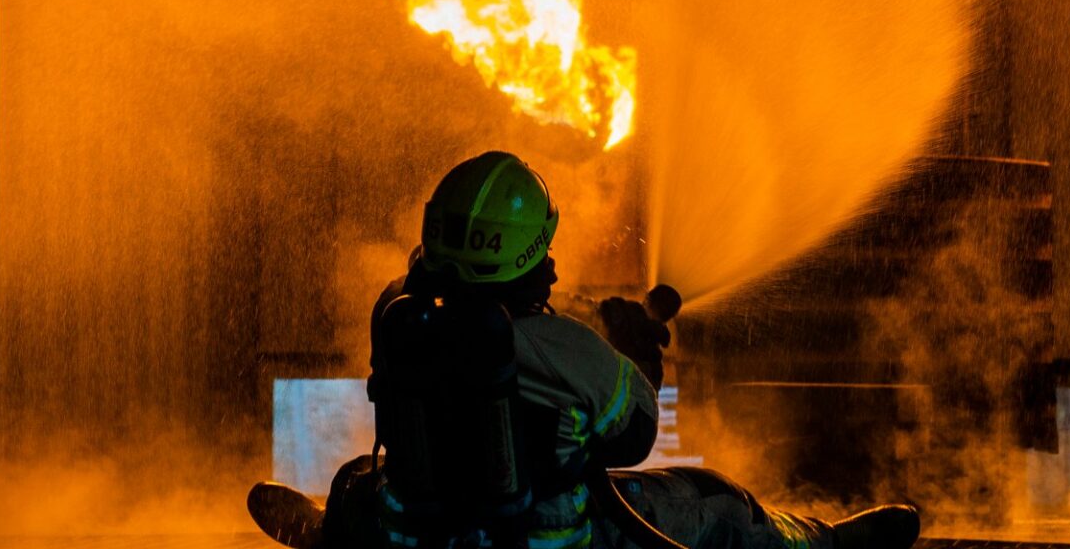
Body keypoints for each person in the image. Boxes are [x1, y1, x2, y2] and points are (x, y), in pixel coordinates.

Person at [249, 150, 920, 549]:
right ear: (534, 252)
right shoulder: (571, 352)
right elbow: (629, 438)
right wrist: (637, 358)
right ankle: (825, 543)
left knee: (355, 485)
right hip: (552, 543)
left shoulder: (395, 311)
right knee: (714, 502)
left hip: (417, 534)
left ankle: (331, 533)